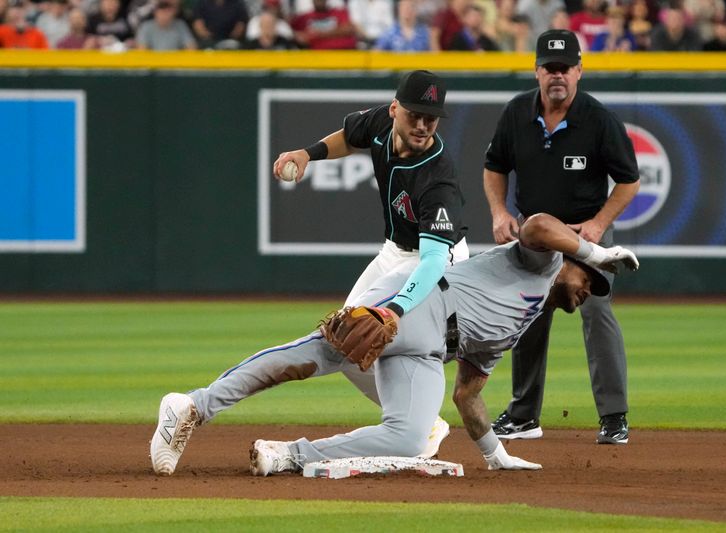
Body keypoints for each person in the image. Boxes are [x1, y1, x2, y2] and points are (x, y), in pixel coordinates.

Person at [149, 213, 639, 476]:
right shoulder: (543, 263)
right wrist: (592, 249)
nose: (589, 289)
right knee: (314, 356)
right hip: (419, 303)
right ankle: (191, 406)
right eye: (591, 279)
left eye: (597, 288)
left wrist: (494, 453)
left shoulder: (521, 323)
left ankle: (288, 456)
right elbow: (535, 225)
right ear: (574, 259)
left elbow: (467, 393)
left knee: (411, 438)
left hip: (429, 355)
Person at [273, 70, 469, 459]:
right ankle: (423, 423)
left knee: (368, 336)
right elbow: (350, 138)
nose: (423, 125)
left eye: (431, 117)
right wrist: (307, 153)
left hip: (437, 257)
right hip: (394, 251)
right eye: (415, 114)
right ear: (396, 109)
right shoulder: (381, 121)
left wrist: (395, 308)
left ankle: (414, 424)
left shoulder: (438, 173)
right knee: (342, 338)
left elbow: (432, 261)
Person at [484, 29, 640, 445]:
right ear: (536, 71)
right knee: (529, 314)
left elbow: (629, 180)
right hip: (535, 237)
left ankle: (613, 416)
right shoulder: (517, 114)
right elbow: (494, 165)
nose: (558, 76)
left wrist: (599, 224)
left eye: (565, 68)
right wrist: (499, 211)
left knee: (597, 314)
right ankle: (523, 415)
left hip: (584, 237)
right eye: (550, 68)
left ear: (579, 71)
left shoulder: (599, 119)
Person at [290, 0, 357, 49]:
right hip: (316, 57)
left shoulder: (339, 12)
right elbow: (292, 33)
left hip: (344, 53)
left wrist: (319, 34)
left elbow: (349, 29)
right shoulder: (304, 18)